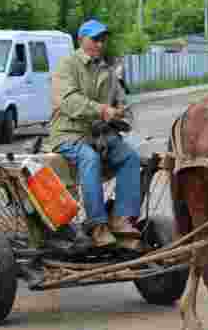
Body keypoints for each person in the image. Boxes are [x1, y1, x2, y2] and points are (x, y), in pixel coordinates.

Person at [43, 19, 142, 248]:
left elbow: (123, 105)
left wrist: (122, 117)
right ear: (81, 40)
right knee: (89, 158)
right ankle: (97, 224)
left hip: (100, 136)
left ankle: (121, 218)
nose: (100, 44)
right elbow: (68, 101)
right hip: (68, 134)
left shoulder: (107, 70)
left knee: (130, 157)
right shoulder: (67, 66)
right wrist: (103, 110)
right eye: (95, 39)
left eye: (103, 39)